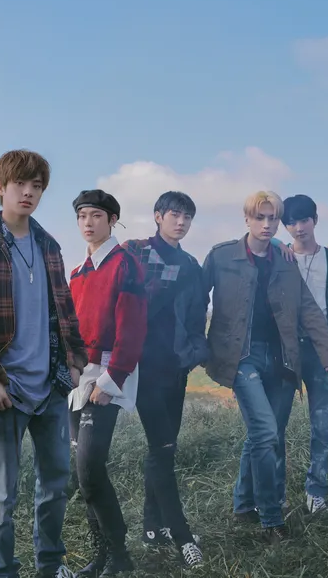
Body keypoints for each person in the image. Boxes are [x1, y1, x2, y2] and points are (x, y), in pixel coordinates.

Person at [0, 149, 88, 578]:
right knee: (1, 496)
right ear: (1, 187)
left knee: (55, 486)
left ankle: (50, 567)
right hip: (4, 390)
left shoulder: (49, 245)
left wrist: (75, 362)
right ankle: (4, 573)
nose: (29, 193)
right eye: (20, 184)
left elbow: (65, 311)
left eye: (37, 186)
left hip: (50, 387)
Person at [202, 190, 328, 544]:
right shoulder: (222, 256)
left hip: (281, 358)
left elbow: (308, 308)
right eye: (259, 218)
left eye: (273, 219)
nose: (266, 225)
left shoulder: (284, 260)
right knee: (266, 432)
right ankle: (271, 518)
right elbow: (195, 299)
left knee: (265, 434)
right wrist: (197, 346)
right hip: (242, 357)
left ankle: (242, 504)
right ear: (247, 219)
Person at [122, 191, 207, 570]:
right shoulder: (135, 252)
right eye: (174, 214)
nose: (181, 222)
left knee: (164, 451)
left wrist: (194, 353)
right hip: (143, 369)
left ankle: (153, 528)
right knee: (162, 448)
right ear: (158, 216)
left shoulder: (191, 264)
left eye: (187, 217)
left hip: (176, 368)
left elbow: (198, 313)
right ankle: (183, 536)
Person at [67, 189, 147, 576]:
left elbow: (132, 330)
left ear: (112, 221)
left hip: (106, 377)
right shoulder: (77, 273)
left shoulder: (125, 264)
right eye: (82, 216)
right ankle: (101, 555)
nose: (88, 222)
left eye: (96, 215)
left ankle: (120, 556)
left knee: (89, 469)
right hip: (77, 380)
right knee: (86, 476)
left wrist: (111, 380)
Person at [276, 194, 328, 515]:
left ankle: (316, 490)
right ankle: (276, 493)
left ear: (315, 220)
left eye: (304, 220)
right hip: (286, 351)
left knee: (322, 426)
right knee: (275, 425)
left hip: (324, 350)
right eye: (291, 222)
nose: (298, 228)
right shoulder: (279, 257)